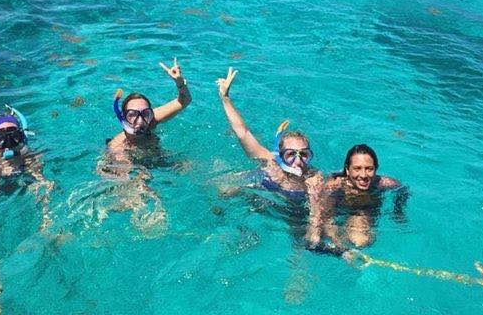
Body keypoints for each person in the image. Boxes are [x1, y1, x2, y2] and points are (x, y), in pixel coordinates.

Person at [98, 58, 192, 233]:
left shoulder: (151, 121)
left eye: (145, 113)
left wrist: (179, 83)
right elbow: (126, 178)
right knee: (138, 187)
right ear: (122, 117)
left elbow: (184, 101)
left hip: (157, 158)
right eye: (132, 114)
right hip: (130, 164)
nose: (140, 120)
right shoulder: (118, 147)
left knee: (189, 166)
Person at [216, 67, 323, 200]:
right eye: (290, 154)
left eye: (303, 154)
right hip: (263, 191)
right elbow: (243, 133)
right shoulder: (270, 162)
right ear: (281, 154)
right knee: (224, 189)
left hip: (289, 205)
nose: (298, 161)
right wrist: (225, 98)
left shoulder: (313, 177)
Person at [307, 144, 407, 250]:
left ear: (376, 169)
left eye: (369, 169)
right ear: (347, 170)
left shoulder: (383, 183)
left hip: (364, 213)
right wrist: (339, 244)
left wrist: (398, 211)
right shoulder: (335, 186)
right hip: (338, 213)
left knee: (361, 241)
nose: (363, 175)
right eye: (357, 168)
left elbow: (402, 189)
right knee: (316, 238)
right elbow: (326, 218)